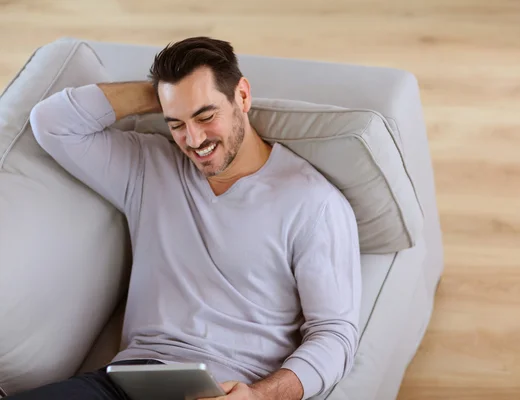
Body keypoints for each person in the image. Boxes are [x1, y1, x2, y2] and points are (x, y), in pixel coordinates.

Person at [10, 36, 361, 400]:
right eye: (175, 122)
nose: (193, 139)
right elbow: (52, 122)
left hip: (224, 389)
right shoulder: (148, 168)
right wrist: (163, 95)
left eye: (205, 116)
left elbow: (335, 336)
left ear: (242, 96)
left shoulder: (313, 203)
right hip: (124, 383)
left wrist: (260, 396)